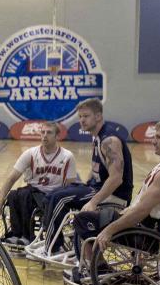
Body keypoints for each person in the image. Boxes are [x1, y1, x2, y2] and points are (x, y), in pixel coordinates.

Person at [67, 118, 160, 282]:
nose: (153, 141)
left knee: (82, 219)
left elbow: (142, 211)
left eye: (159, 137)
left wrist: (109, 230)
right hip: (153, 226)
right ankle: (98, 265)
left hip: (149, 232)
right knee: (97, 214)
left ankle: (98, 268)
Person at [41, 98, 133, 253]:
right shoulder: (97, 137)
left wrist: (92, 202)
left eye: (86, 116)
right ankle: (56, 239)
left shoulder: (109, 140)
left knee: (59, 198)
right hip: (96, 188)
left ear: (98, 116)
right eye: (80, 117)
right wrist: (83, 186)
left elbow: (116, 179)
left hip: (114, 195)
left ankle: (52, 247)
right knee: (53, 193)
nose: (81, 120)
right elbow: (97, 168)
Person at [0, 122, 77, 245]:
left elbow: (70, 185)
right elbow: (11, 178)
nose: (45, 135)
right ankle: (16, 234)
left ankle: (26, 236)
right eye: (43, 132)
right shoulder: (30, 153)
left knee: (26, 195)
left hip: (54, 196)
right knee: (14, 195)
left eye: (49, 132)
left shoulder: (67, 156)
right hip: (34, 192)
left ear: (57, 136)